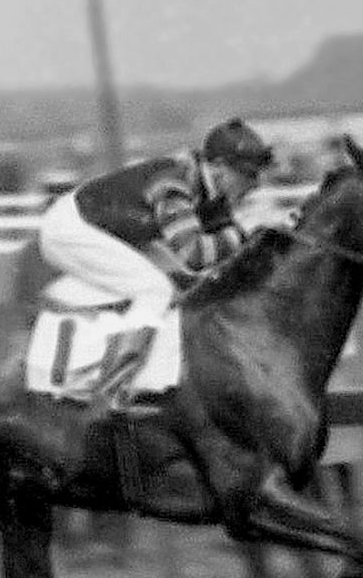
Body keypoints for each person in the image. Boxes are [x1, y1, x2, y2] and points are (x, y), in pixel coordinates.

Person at [33, 118, 275, 411]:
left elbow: (218, 262)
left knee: (178, 285)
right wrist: (246, 234)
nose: (255, 184)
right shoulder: (173, 185)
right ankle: (113, 389)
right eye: (248, 175)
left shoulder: (212, 194)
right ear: (220, 168)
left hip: (112, 228)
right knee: (155, 290)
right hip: (70, 229)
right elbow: (194, 253)